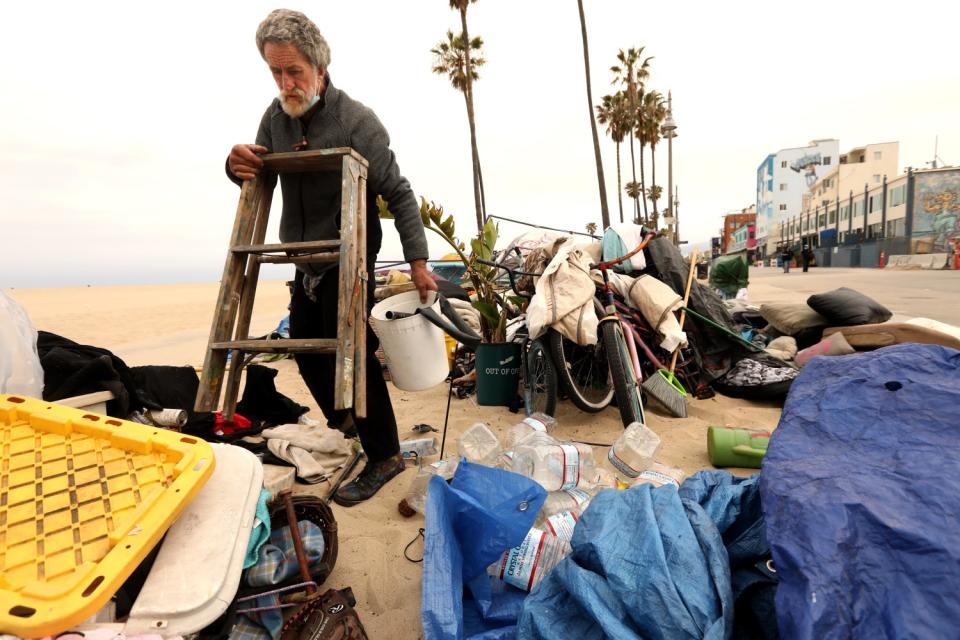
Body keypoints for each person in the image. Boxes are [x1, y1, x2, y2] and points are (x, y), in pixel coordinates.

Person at [227, 9, 437, 506]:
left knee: (354, 355)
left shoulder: (357, 121)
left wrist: (419, 261)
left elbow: (401, 194)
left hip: (351, 257)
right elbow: (253, 170)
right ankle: (353, 430)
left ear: (320, 69)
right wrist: (234, 165)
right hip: (304, 260)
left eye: (294, 72)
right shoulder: (275, 118)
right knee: (306, 350)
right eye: (276, 72)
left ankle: (385, 455)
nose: (286, 83)